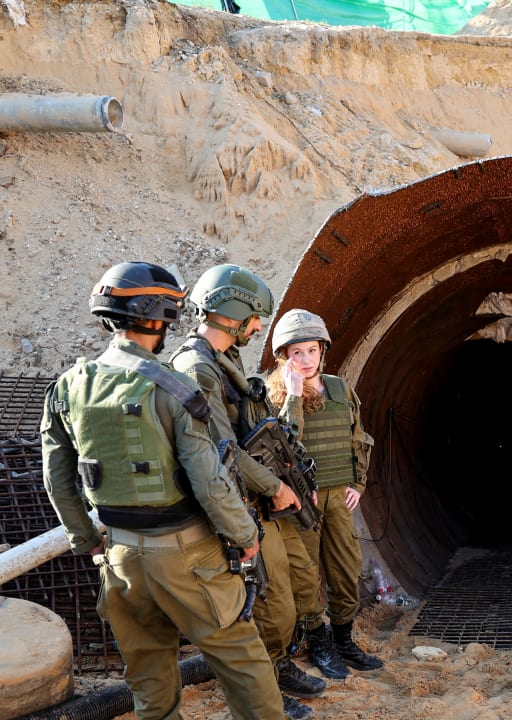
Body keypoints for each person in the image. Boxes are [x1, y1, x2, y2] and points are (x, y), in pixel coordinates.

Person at [41, 261, 284, 720]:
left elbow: (57, 478)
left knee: (150, 684)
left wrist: (87, 541)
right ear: (158, 317)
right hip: (189, 556)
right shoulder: (174, 387)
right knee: (242, 662)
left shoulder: (66, 388)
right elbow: (209, 480)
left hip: (119, 557)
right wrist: (245, 537)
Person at [168, 263, 338, 720]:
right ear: (232, 313)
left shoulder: (226, 359)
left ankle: (279, 665)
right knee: (258, 599)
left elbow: (248, 431)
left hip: (258, 497)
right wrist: (276, 486)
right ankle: (263, 689)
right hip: (236, 502)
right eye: (255, 317)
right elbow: (220, 451)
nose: (260, 327)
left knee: (281, 593)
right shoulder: (197, 368)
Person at [266, 309, 385, 676]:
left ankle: (344, 640)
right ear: (284, 356)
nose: (304, 359)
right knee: (305, 577)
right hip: (303, 501)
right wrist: (294, 397)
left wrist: (358, 483)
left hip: (338, 496)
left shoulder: (339, 388)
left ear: (322, 351)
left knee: (347, 571)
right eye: (296, 352)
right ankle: (320, 645)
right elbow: (283, 446)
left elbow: (358, 438)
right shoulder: (276, 394)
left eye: (311, 351)